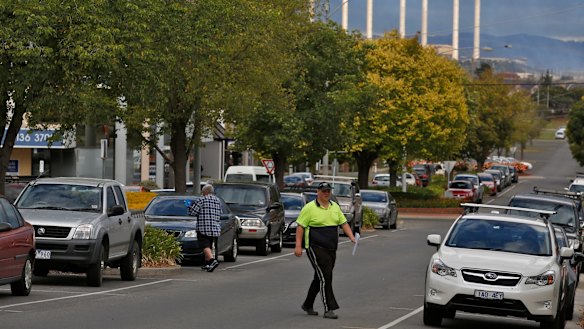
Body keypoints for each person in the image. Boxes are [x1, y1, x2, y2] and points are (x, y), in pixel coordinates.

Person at [294, 182, 356, 319]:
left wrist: (352, 237)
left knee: (321, 276)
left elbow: (343, 223)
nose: (326, 193)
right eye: (323, 191)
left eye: (328, 191)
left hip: (331, 247)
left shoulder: (334, 207)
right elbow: (300, 227)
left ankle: (308, 304)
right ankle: (329, 308)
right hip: (315, 246)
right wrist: (298, 246)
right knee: (325, 277)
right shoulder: (309, 208)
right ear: (318, 192)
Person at [188, 184, 222, 272]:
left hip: (204, 227)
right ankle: (207, 264)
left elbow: (193, 212)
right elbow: (220, 212)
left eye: (202, 192)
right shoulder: (217, 200)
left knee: (204, 245)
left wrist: (189, 206)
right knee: (209, 245)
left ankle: (212, 260)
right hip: (215, 227)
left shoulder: (201, 200)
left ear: (204, 192)